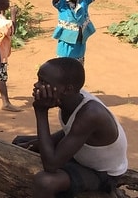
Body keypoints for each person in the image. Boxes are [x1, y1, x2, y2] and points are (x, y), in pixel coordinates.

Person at [13, 57, 127, 197]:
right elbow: (70, 132)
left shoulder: (90, 114)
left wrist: (41, 112)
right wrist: (32, 144)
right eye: (38, 79)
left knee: (45, 181)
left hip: (102, 173)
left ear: (67, 89)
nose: (36, 85)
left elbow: (51, 165)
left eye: (43, 82)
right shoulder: (73, 99)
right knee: (20, 142)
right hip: (82, 156)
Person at [51, 0, 104, 64]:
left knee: (77, 73)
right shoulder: (62, 3)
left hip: (80, 46)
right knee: (63, 71)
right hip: (65, 47)